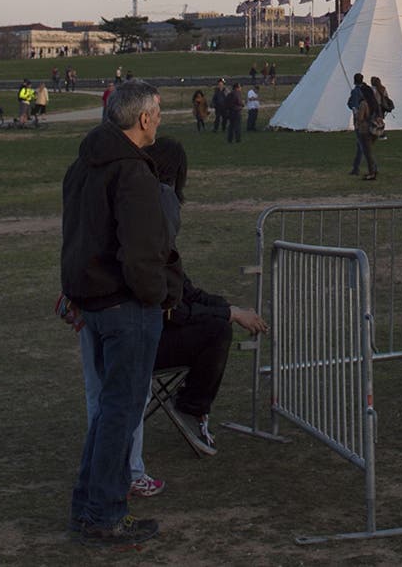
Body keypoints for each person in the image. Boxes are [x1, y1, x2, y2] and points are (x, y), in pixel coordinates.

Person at [61, 80, 176, 547]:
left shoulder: (83, 165)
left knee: (111, 413)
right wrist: (158, 296)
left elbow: (75, 239)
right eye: (158, 113)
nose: (160, 120)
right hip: (125, 306)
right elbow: (141, 252)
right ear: (144, 118)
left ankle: (88, 508)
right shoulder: (132, 173)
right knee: (121, 414)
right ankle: (105, 513)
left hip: (94, 301)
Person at [146, 137, 267, 454]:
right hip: (143, 342)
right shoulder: (149, 238)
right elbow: (174, 310)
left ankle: (192, 404)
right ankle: (191, 405)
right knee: (216, 331)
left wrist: (232, 307)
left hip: (151, 333)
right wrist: (230, 314)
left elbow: (186, 292)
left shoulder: (156, 239)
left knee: (216, 320)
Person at [347, 74, 379, 180]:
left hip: (362, 126)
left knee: (364, 148)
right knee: (363, 147)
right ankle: (358, 168)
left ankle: (371, 169)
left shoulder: (357, 94)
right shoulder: (369, 90)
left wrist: (356, 112)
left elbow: (352, 105)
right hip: (371, 123)